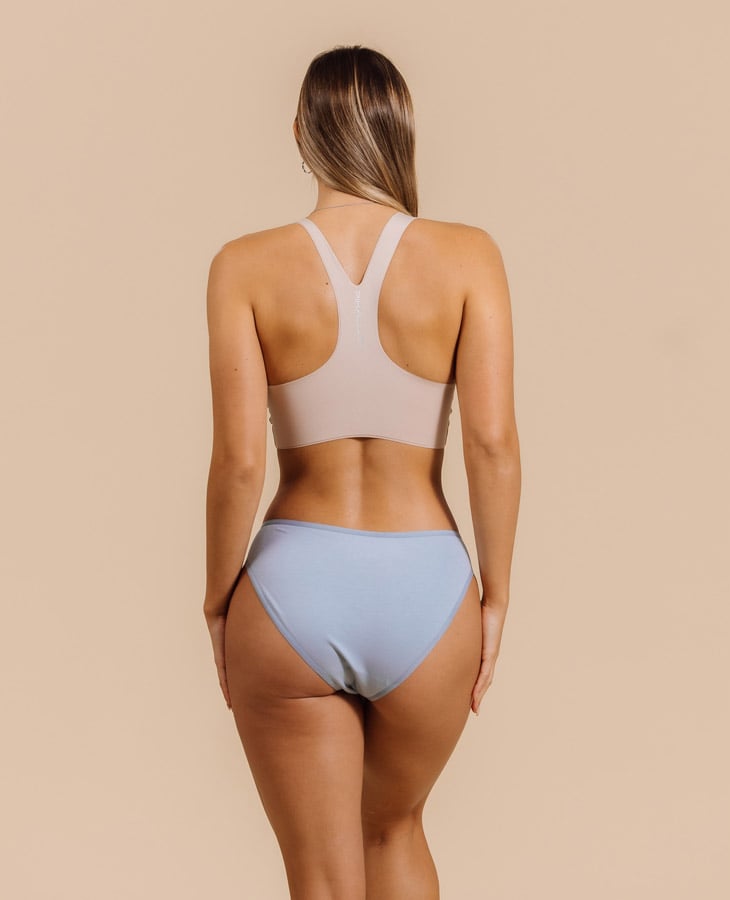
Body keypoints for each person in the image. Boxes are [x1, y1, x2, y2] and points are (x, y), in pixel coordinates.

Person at [204, 44, 521, 899]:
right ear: (399, 131)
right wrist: (494, 597)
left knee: (321, 877)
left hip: (292, 588)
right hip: (428, 588)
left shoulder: (244, 265)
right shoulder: (469, 256)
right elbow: (492, 443)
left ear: (299, 133)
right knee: (394, 831)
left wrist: (217, 600)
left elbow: (239, 463)